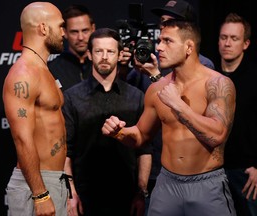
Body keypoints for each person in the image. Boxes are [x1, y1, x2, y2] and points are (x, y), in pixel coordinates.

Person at [102, 19, 237, 216]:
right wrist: (120, 132)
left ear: (188, 47)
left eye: (167, 41)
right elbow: (141, 136)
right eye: (160, 41)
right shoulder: (157, 89)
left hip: (207, 185)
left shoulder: (217, 84)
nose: (159, 47)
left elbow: (217, 135)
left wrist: (178, 105)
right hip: (167, 185)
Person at [123, 1, 217, 214]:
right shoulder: (155, 60)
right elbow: (132, 95)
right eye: (163, 23)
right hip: (159, 166)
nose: (163, 28)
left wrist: (156, 75)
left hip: (195, 174)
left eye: (171, 23)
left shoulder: (205, 68)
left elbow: (194, 122)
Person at [63, 28, 152, 216]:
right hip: (85, 198)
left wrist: (141, 193)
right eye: (98, 51)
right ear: (89, 54)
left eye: (110, 51)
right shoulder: (71, 98)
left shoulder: (137, 97)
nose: (104, 57)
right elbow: (66, 151)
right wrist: (71, 194)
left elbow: (144, 149)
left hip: (126, 198)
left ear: (120, 55)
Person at [3, 2, 70, 216]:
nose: (64, 33)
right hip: (36, 185)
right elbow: (22, 138)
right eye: (60, 26)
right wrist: (40, 194)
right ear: (43, 28)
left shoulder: (43, 69)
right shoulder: (24, 74)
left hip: (54, 179)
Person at [217, 12, 257, 216]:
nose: (227, 43)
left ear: (246, 43)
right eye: (224, 37)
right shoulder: (209, 74)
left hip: (246, 172)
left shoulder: (254, 78)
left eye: (234, 38)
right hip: (211, 171)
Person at [48, 4, 96, 92]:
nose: (80, 37)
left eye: (85, 31)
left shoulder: (102, 65)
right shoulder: (52, 70)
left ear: (93, 29)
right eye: (74, 32)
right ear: (65, 32)